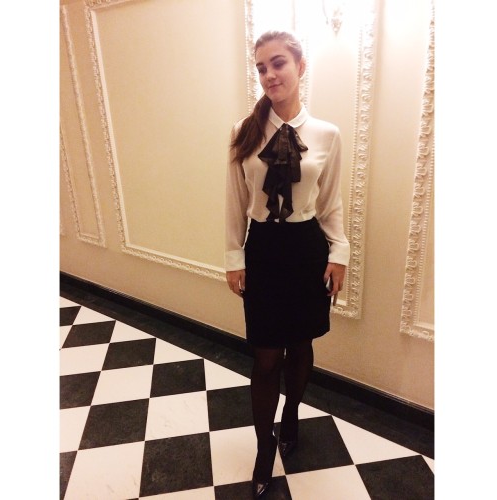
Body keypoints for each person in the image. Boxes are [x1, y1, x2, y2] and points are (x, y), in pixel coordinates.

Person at [225, 30, 350, 498]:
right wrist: (234, 258)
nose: (269, 74)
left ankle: (292, 413)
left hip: (306, 248)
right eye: (261, 67)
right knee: (264, 357)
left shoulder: (327, 134)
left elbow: (331, 202)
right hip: (263, 249)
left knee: (300, 345)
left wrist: (339, 254)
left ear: (300, 66)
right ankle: (264, 447)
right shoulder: (244, 131)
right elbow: (234, 200)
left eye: (277, 63)